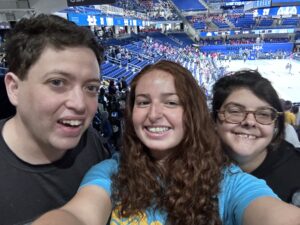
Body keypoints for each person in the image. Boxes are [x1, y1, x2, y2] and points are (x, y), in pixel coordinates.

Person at [33, 61, 300, 225]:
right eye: (143, 102)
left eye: (171, 102)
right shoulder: (110, 172)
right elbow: (79, 215)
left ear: (192, 114)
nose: (154, 114)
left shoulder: (228, 181)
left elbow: (270, 213)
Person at [1, 14, 110, 225]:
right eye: (57, 82)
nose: (79, 104)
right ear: (14, 88)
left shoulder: (90, 141)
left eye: (91, 88)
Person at [211, 69, 300, 204]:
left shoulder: (295, 171)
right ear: (214, 120)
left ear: (275, 125)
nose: (250, 122)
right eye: (235, 111)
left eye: (263, 114)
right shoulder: (191, 166)